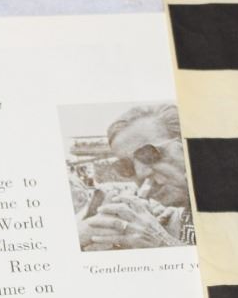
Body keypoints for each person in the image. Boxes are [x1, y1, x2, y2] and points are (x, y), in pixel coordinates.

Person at [77, 105, 194, 251]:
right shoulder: (179, 213)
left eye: (149, 154)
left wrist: (161, 242)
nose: (140, 173)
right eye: (126, 166)